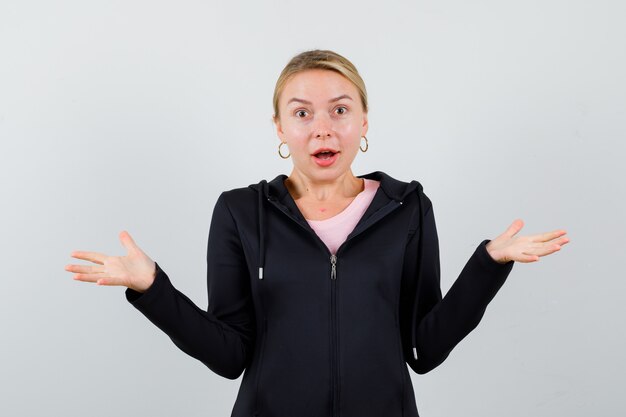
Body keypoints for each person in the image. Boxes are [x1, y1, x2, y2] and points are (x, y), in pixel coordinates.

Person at [65, 49, 569, 417]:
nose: (322, 128)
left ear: (364, 121)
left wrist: (488, 266)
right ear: (280, 128)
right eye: (302, 113)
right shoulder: (241, 212)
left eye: (340, 110)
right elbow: (229, 355)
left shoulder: (406, 208)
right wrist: (152, 289)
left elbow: (423, 350)